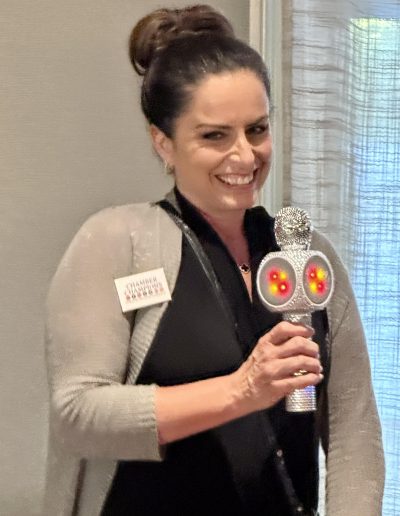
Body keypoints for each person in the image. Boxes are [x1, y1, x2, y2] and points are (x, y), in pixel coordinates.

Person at [43, 4, 384, 515]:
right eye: (214, 135)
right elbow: (78, 414)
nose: (245, 156)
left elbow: (353, 430)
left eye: (257, 129)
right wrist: (241, 390)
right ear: (163, 142)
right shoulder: (116, 242)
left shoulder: (308, 255)